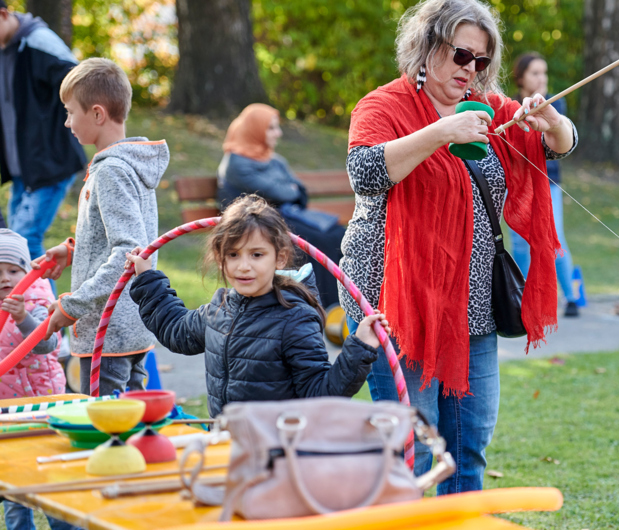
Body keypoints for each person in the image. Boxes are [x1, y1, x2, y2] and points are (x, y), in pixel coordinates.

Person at [342, 0, 576, 494]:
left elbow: (563, 143)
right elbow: (364, 173)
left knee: (469, 446)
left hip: (473, 307)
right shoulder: (383, 106)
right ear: (426, 49)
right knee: (416, 449)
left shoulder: (489, 107)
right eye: (460, 55)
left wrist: (550, 121)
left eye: (482, 61)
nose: (470, 69)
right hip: (397, 305)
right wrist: (441, 131)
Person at [127, 195, 383, 416]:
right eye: (233, 254)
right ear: (221, 259)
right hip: (229, 443)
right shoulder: (220, 308)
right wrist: (147, 278)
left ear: (280, 257)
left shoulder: (295, 319)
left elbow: (321, 394)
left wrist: (358, 348)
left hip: (278, 451)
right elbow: (176, 330)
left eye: (257, 254)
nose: (244, 266)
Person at [33, 58, 167, 397]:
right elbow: (128, 237)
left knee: (107, 424)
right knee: (135, 418)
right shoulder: (128, 165)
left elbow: (128, 250)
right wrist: (74, 250)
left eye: (69, 112)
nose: (66, 122)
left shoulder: (111, 172)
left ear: (96, 114)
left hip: (109, 331)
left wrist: (72, 305)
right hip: (131, 323)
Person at [217, 103, 346, 308]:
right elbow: (281, 192)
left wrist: (290, 191)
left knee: (338, 234)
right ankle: (324, 306)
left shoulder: (274, 160)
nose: (278, 133)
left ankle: (340, 304)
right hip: (254, 223)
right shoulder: (236, 163)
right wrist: (289, 190)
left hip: (279, 218)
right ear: (254, 130)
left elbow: (300, 193)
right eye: (271, 128)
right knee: (316, 239)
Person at [0, 2, 86, 257]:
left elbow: (83, 84)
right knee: (12, 245)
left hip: (50, 162)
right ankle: (25, 299)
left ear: (3, 15)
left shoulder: (39, 42)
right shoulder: (4, 48)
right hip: (22, 169)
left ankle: (40, 299)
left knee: (25, 243)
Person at [0, 229, 72, 530]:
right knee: (13, 484)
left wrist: (22, 318)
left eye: (13, 270)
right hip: (6, 410)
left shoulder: (39, 299)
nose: (5, 278)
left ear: (27, 271)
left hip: (42, 405)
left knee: (50, 476)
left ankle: (66, 524)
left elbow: (48, 345)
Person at [507, 52, 579, 317]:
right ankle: (523, 300)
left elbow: (559, 136)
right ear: (521, 78)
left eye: (544, 72)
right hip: (517, 185)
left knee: (555, 238)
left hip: (549, 184)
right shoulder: (509, 106)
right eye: (535, 73)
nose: (541, 78)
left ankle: (571, 297)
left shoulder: (555, 106)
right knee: (521, 243)